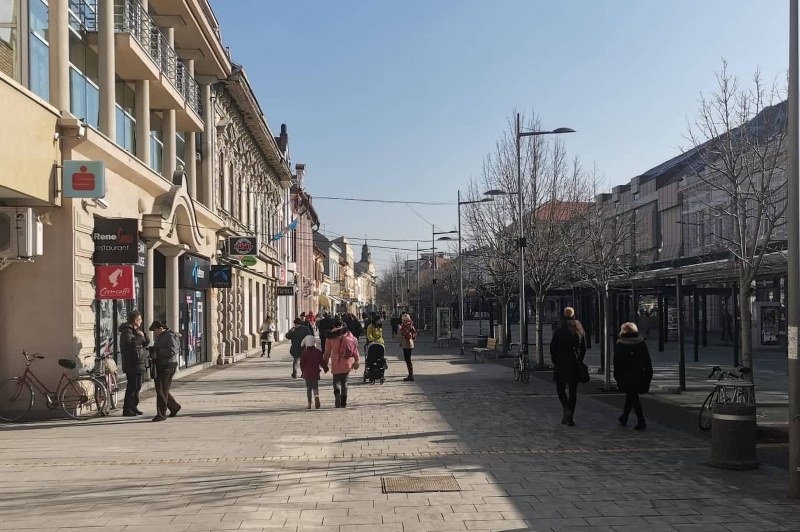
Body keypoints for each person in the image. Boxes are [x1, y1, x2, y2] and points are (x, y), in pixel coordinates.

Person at [549, 307, 587, 426]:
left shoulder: (559, 331)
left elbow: (553, 348)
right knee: (573, 391)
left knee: (560, 388)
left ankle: (566, 409)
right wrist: (579, 360)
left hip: (561, 363)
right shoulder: (579, 331)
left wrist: (555, 360)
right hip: (574, 364)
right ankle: (570, 418)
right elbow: (583, 348)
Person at [613, 322, 654, 431]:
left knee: (632, 396)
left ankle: (641, 421)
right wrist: (648, 376)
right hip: (639, 374)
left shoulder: (620, 344)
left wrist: (616, 375)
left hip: (625, 375)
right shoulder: (640, 343)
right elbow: (647, 361)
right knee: (631, 396)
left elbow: (616, 362)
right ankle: (624, 417)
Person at [148, 321, 181, 422]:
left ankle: (161, 414)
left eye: (155, 330)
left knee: (162, 389)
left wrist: (157, 352)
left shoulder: (170, 336)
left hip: (168, 365)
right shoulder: (162, 336)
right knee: (161, 389)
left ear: (161, 328)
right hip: (161, 364)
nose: (154, 333)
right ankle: (174, 406)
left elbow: (173, 350)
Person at [323, 318, 360, 407]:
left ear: (333, 325)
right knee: (345, 382)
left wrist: (325, 364)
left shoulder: (330, 336)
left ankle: (337, 393)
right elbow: (354, 349)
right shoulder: (348, 335)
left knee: (336, 381)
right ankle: (344, 402)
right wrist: (357, 360)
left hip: (336, 361)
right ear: (342, 325)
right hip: (347, 361)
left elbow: (327, 352)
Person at [119, 311, 149, 417]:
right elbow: (129, 344)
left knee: (138, 386)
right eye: (140, 319)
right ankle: (127, 409)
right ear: (135, 320)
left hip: (139, 361)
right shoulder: (127, 331)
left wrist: (144, 336)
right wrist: (140, 337)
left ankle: (133, 406)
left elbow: (145, 343)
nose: (141, 321)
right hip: (131, 362)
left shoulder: (136, 331)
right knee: (132, 386)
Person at [299, 335, 328, 409]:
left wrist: (303, 371)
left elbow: (302, 364)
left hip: (307, 372)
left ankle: (309, 404)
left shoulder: (305, 353)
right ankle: (316, 395)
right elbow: (321, 362)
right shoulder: (317, 352)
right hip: (315, 372)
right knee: (315, 386)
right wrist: (325, 368)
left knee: (309, 388)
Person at [399, 313, 417, 381]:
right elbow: (414, 333)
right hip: (410, 343)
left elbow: (404, 333)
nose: (402, 321)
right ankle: (410, 375)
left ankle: (411, 375)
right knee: (408, 360)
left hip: (407, 344)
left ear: (404, 320)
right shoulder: (411, 324)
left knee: (408, 360)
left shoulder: (405, 326)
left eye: (403, 319)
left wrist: (401, 328)